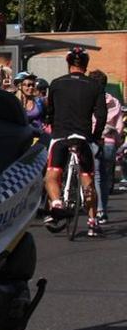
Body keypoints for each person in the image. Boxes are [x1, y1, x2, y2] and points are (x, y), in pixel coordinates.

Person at [42, 48, 107, 237]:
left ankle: (56, 203)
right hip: (83, 138)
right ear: (85, 65)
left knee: (52, 175)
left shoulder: (56, 83)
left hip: (61, 136)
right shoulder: (95, 86)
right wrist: (95, 135)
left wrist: (51, 123)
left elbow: (50, 111)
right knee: (88, 180)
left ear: (69, 64)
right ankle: (93, 222)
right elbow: (101, 115)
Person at [88, 70, 122, 224]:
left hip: (94, 141)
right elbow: (119, 127)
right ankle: (103, 210)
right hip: (109, 143)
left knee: (95, 176)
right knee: (105, 177)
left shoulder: (88, 100)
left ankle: (97, 210)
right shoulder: (114, 102)